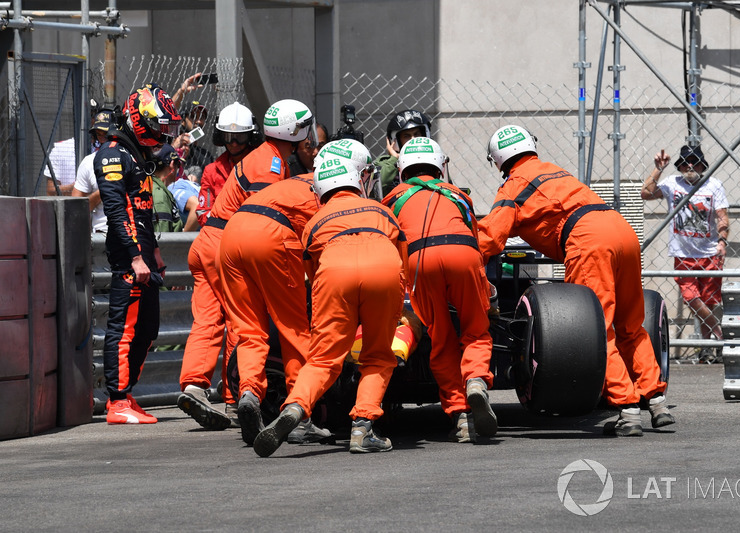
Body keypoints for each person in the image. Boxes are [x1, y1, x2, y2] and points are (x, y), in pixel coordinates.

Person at [479, 125, 673, 437]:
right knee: (630, 325)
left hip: (588, 241)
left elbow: (489, 239)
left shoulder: (513, 187)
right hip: (621, 231)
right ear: (531, 145)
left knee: (597, 331)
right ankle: (656, 399)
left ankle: (627, 409)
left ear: (498, 160)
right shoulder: (553, 172)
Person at [177, 99, 318, 431]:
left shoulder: (260, 157)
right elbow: (268, 214)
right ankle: (233, 397)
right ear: (297, 131)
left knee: (208, 320)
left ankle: (195, 386)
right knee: (245, 321)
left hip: (207, 242)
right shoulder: (271, 162)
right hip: (230, 241)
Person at [218, 144, 370, 447]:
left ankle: (248, 393)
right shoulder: (334, 195)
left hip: (233, 232)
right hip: (272, 235)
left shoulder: (297, 180)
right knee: (294, 330)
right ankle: (302, 416)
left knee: (249, 332)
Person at [253, 158, 406, 457]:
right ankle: (363, 428)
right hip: (384, 266)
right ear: (358, 184)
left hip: (335, 270)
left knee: (323, 359)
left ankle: (296, 407)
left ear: (320, 191)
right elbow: (404, 259)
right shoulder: (382, 210)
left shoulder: (314, 222)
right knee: (377, 356)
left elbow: (311, 274)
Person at [381, 137, 496, 443]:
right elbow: (477, 240)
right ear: (439, 166)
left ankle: (460, 417)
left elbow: (389, 246)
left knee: (441, 338)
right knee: (476, 330)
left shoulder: (392, 198)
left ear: (403, 168)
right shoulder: (457, 194)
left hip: (420, 259)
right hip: (464, 253)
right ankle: (475, 381)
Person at [95, 82, 180, 424]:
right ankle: (116, 401)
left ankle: (126, 393)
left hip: (144, 255)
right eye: (159, 126)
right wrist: (134, 256)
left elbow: (142, 213)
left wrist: (154, 252)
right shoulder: (113, 154)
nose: (164, 135)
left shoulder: (135, 155)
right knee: (124, 328)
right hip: (128, 258)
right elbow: (117, 212)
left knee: (148, 328)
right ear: (140, 120)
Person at [641, 146, 729, 362]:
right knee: (692, 298)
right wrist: (658, 169)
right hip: (683, 254)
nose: (690, 166)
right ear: (680, 165)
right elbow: (645, 192)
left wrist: (722, 242)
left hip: (709, 252)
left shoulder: (713, 185)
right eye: (686, 162)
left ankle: (707, 350)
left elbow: (722, 216)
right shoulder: (672, 184)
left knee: (709, 301)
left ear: (702, 165)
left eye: (695, 162)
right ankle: (720, 335)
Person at [194, 102, 261, 227]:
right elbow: (203, 212)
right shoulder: (211, 171)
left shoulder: (263, 167)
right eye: (229, 137)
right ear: (220, 137)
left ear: (250, 136)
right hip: (220, 236)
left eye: (240, 138)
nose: (234, 143)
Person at [72, 108, 117, 234]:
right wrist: (103, 191)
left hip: (131, 231)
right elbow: (76, 209)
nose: (102, 139)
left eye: (106, 134)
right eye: (99, 134)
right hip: (101, 233)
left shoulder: (130, 158)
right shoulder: (88, 162)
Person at [372, 109, 432, 198]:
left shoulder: (433, 159)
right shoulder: (385, 164)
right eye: (406, 136)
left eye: (416, 134)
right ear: (395, 141)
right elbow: (374, 189)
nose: (413, 139)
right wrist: (394, 160)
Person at [172, 101, 215, 172]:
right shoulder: (171, 147)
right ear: (182, 120)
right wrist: (173, 148)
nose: (198, 121)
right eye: (193, 116)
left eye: (202, 117)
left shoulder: (206, 156)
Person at [151, 144, 184, 233]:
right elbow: (163, 241)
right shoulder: (160, 196)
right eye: (178, 164)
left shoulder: (153, 186)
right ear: (172, 164)